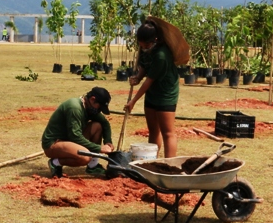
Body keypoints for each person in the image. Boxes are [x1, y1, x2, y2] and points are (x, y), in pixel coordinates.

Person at [125, 21, 179, 159]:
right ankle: (152, 161)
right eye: (141, 45)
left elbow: (149, 80)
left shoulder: (161, 55)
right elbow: (144, 64)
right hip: (152, 94)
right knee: (153, 131)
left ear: (155, 40)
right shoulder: (146, 49)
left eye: (146, 45)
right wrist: (137, 77)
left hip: (165, 93)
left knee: (168, 133)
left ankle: (170, 165)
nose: (143, 47)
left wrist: (133, 101)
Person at [41, 87, 113, 177]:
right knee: (85, 157)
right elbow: (75, 137)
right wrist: (99, 148)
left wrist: (108, 142)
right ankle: (55, 163)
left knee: (97, 126)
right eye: (99, 107)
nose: (99, 111)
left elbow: (105, 123)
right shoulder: (75, 108)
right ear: (92, 99)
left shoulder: (88, 107)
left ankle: (93, 166)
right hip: (54, 143)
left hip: (69, 139)